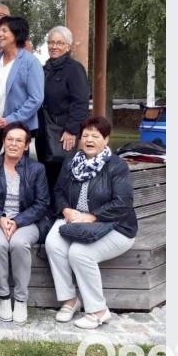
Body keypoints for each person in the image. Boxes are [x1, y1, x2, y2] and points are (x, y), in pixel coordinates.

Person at [45, 116, 138, 329]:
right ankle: (70, 300)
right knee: (53, 243)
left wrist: (92, 216)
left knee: (80, 253)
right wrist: (66, 210)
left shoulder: (117, 166)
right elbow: (58, 191)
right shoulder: (71, 161)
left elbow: (123, 203)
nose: (89, 139)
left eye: (95, 136)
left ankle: (98, 310)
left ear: (105, 140)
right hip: (75, 219)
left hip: (115, 226)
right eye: (85, 135)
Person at [0, 123, 49, 323]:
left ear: (26, 145)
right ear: (3, 141)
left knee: (19, 244)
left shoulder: (37, 169)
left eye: (19, 140)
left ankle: (20, 299)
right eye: (9, 139)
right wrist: (0, 218)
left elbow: (42, 203)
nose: (13, 144)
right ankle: (3, 297)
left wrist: (17, 222)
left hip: (27, 220)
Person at [37, 26, 90, 194]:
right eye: (51, 42)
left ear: (68, 46)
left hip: (63, 131)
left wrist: (71, 130)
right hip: (44, 130)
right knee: (46, 170)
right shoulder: (44, 69)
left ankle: (63, 212)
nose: (54, 46)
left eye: (59, 43)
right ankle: (49, 211)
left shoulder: (74, 69)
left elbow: (81, 102)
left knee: (63, 171)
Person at [0, 16, 44, 158]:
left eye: (4, 30)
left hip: (17, 129)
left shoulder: (30, 62)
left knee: (16, 172)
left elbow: (36, 98)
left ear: (17, 34)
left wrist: (10, 119)